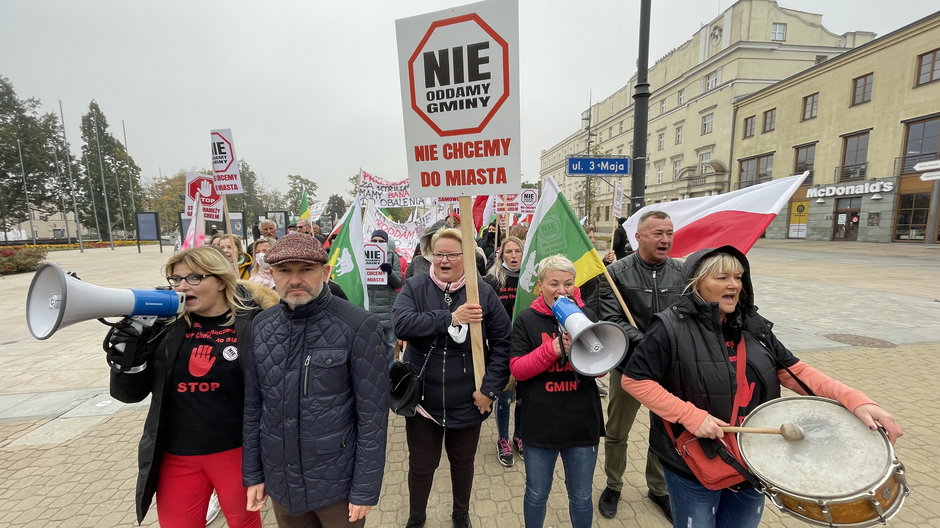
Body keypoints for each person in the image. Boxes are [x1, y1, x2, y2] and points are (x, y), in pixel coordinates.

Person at [621, 245, 903, 528]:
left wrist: (856, 399)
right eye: (721, 278)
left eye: (738, 277)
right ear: (696, 283)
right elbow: (635, 380)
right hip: (693, 461)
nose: (733, 284)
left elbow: (796, 371)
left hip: (752, 461)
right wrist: (690, 416)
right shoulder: (668, 327)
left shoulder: (753, 326)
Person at [106, 245, 278, 527]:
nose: (182, 286)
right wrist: (129, 353)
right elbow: (128, 393)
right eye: (176, 279)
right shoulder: (165, 327)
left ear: (221, 281)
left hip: (235, 453)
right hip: (177, 456)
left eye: (194, 278)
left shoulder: (255, 323)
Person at [242, 233, 389, 527]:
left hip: (336, 484)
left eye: (305, 270)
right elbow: (254, 406)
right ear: (272, 274)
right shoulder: (261, 325)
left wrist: (364, 489)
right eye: (285, 271)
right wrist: (254, 473)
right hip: (281, 481)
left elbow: (373, 418)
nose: (295, 280)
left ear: (325, 272)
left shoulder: (358, 325)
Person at [393, 228, 511, 528]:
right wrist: (451, 318)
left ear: (467, 257)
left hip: (468, 400)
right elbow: (402, 324)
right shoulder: (416, 286)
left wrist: (489, 390)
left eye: (453, 254)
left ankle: (461, 514)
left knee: (463, 463)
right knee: (421, 466)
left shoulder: (482, 291)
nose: (444, 260)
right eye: (439, 254)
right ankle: (416, 517)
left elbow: (502, 344)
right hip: (422, 400)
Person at [596, 210, 684, 521]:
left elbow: (690, 315)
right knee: (618, 431)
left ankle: (658, 488)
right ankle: (613, 484)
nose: (665, 239)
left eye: (669, 233)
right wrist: (651, 342)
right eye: (658, 233)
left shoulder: (682, 272)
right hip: (630, 367)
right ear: (639, 237)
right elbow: (610, 320)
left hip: (671, 370)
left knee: (664, 431)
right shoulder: (616, 272)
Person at [509, 255, 604, 528]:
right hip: (540, 425)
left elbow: (601, 370)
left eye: (568, 284)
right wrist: (552, 350)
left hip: (582, 424)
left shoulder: (587, 317)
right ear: (540, 286)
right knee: (537, 494)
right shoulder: (526, 320)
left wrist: (586, 348)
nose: (562, 290)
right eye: (554, 284)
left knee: (582, 497)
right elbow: (518, 370)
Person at [483, 235, 525, 467]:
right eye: (509, 252)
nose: (514, 256)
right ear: (502, 255)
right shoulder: (492, 280)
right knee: (505, 396)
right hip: (503, 347)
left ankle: (519, 435)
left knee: (524, 397)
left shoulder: (530, 279)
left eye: (517, 251)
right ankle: (503, 439)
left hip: (527, 346)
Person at [366, 229, 403, 363]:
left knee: (390, 344)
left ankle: (390, 376)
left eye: (381, 241)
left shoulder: (393, 257)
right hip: (369, 307)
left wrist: (389, 272)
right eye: (374, 240)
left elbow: (398, 282)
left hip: (387, 308)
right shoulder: (363, 255)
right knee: (370, 345)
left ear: (386, 243)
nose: (377, 243)